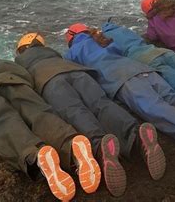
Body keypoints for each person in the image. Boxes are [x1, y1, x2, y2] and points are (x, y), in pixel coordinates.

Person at [64, 24, 175, 169]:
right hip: (142, 70)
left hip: (121, 80)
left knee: (155, 108)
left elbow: (79, 76)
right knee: (172, 97)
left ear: (71, 38)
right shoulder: (103, 40)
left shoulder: (71, 53)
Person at [14, 33, 167, 194]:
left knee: (76, 112)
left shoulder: (21, 62)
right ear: (41, 44)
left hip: (50, 82)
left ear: (21, 50)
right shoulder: (52, 52)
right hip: (78, 73)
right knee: (102, 104)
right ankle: (137, 136)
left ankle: (100, 146)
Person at [0, 46, 100, 201]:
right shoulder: (3, 63)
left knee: (3, 123)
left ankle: (36, 154)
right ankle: (71, 143)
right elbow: (27, 76)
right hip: (13, 79)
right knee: (39, 114)